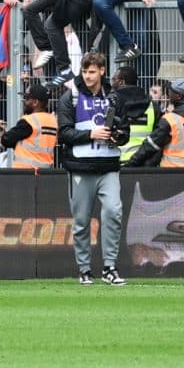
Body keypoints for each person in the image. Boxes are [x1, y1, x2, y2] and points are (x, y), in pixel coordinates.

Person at [59, 54, 127, 286]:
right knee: (81, 221)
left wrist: (118, 136)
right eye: (85, 71)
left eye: (92, 71)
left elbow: (125, 130)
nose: (88, 76)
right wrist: (91, 134)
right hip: (80, 167)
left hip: (108, 165)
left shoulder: (114, 97)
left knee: (113, 213)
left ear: (102, 71)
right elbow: (64, 133)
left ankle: (109, 267)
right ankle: (84, 269)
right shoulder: (70, 97)